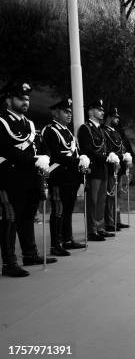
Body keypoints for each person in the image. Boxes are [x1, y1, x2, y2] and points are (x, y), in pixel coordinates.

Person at [0, 82, 57, 276]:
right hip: (10, 177)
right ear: (8, 99)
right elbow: (8, 150)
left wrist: (45, 157)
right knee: (11, 219)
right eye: (21, 98)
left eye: (27, 99)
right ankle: (9, 262)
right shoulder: (2, 121)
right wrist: (35, 159)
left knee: (27, 217)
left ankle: (30, 254)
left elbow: (40, 146)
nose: (26, 102)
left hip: (31, 177)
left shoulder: (29, 123)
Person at [42, 98, 90, 256]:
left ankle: (67, 239)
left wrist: (81, 165)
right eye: (65, 111)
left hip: (71, 177)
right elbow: (55, 156)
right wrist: (77, 160)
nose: (69, 114)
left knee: (68, 209)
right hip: (59, 177)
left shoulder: (68, 131)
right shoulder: (50, 130)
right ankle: (56, 244)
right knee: (58, 210)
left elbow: (74, 152)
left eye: (70, 112)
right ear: (56, 113)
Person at [77, 99, 117, 241]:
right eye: (99, 110)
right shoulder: (85, 128)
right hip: (93, 169)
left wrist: (110, 155)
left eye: (102, 110)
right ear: (91, 111)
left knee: (101, 200)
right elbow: (87, 149)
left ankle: (100, 227)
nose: (102, 112)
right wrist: (105, 157)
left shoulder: (100, 129)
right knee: (92, 201)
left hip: (103, 169)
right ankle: (92, 230)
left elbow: (105, 147)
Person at [102, 107, 132, 232]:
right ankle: (109, 221)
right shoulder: (104, 131)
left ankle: (117, 220)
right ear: (108, 118)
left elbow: (121, 147)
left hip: (119, 168)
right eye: (115, 117)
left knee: (117, 195)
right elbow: (108, 149)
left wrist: (125, 156)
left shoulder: (115, 131)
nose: (117, 119)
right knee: (110, 195)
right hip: (111, 167)